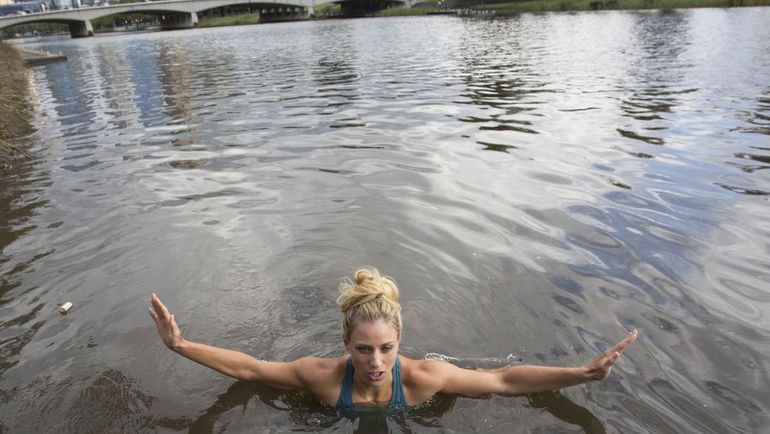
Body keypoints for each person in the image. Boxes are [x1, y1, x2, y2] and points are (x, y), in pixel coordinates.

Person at [149, 267, 637, 413]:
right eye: (364, 350)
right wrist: (181, 345)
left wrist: (583, 373)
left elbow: (504, 379)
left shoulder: (426, 379)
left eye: (386, 348)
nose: (377, 362)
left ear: (400, 341)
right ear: (345, 343)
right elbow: (251, 368)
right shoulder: (319, 378)